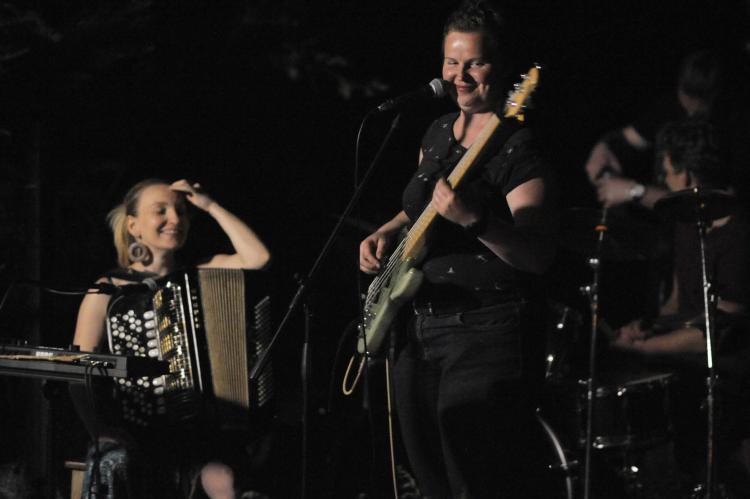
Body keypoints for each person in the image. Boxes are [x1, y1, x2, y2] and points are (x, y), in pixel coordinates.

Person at [359, 1, 557, 497]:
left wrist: (475, 220)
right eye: (451, 62)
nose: (460, 76)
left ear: (502, 69)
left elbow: (536, 255)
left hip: (483, 331)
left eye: (475, 63)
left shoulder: (518, 145)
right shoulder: (437, 131)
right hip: (417, 326)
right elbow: (423, 208)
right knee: (429, 479)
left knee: (475, 480)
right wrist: (387, 229)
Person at [72, 178, 270, 499]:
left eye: (181, 211)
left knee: (228, 480)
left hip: (198, 438)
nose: (175, 219)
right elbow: (77, 371)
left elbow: (258, 258)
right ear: (133, 226)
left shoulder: (203, 271)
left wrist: (209, 205)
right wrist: (103, 431)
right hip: (133, 434)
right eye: (160, 211)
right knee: (116, 464)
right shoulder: (107, 290)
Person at [612, 119, 750, 494]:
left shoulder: (740, 233)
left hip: (728, 371)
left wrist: (641, 348)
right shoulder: (687, 221)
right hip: (687, 357)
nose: (665, 178)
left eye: (667, 170)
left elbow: (717, 333)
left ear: (685, 170)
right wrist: (649, 327)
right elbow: (678, 302)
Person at [584, 50, 724, 209]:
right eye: (686, 94)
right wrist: (603, 148)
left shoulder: (721, 131)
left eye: (699, 98)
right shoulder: (667, 109)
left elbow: (701, 203)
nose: (691, 105)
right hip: (661, 219)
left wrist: (635, 191)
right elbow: (626, 139)